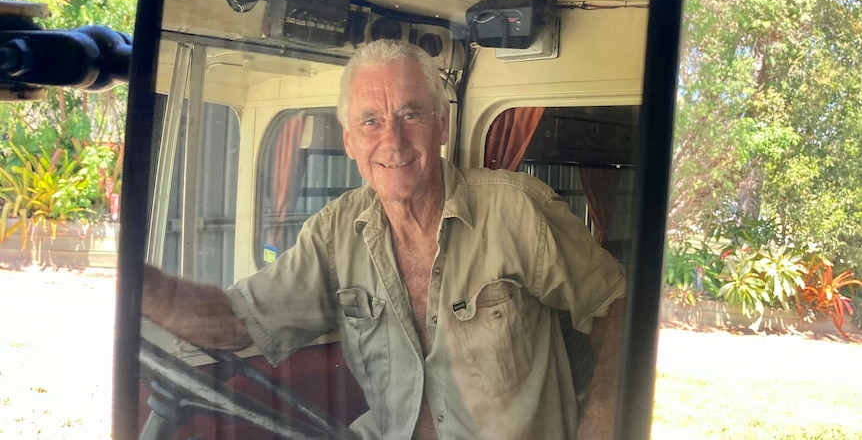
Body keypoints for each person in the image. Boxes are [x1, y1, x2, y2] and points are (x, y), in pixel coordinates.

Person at [142, 39, 626, 440]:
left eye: (410, 114)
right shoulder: (335, 235)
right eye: (371, 120)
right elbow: (236, 323)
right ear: (349, 140)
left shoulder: (516, 210)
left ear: (442, 124)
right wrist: (146, 288)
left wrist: (600, 420)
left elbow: (615, 304)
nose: (392, 140)